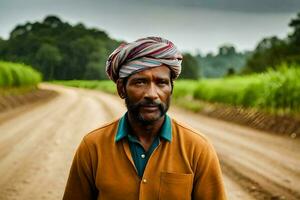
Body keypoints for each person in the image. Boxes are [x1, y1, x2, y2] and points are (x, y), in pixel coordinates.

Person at [63, 37, 227, 200]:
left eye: (161, 83)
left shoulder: (197, 148)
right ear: (121, 89)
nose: (151, 94)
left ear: (171, 89)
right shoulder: (93, 146)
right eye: (140, 82)